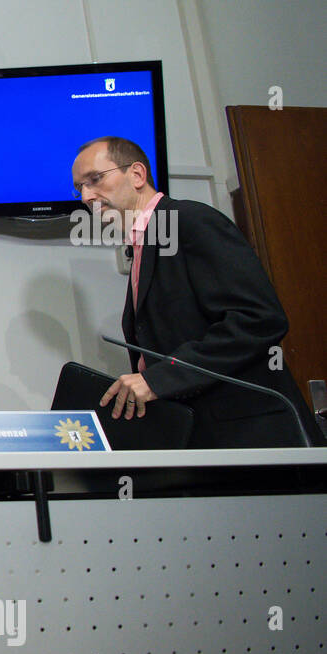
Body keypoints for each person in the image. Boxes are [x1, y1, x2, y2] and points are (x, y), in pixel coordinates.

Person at [72, 136, 319, 448]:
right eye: (79, 187)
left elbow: (259, 319)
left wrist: (158, 379)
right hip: (197, 436)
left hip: (251, 438)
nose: (86, 196)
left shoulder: (190, 220)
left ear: (137, 174)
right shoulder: (142, 246)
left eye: (95, 179)